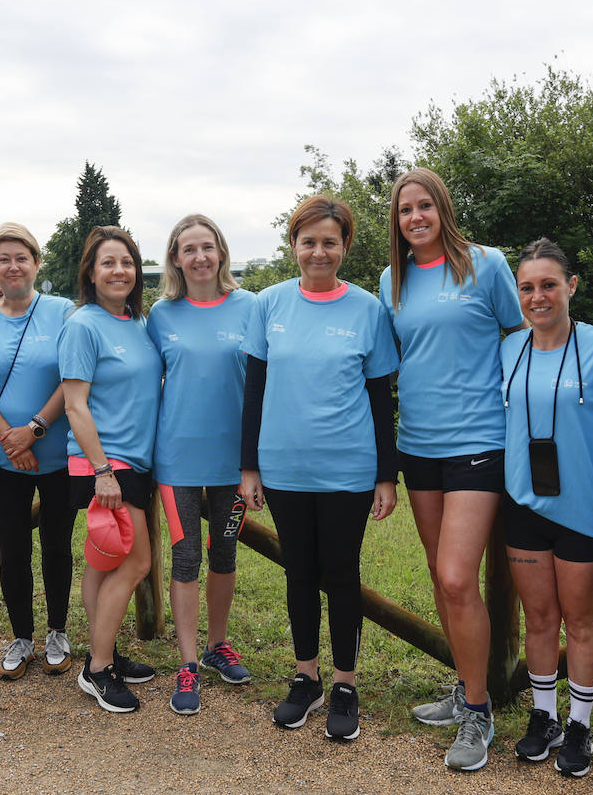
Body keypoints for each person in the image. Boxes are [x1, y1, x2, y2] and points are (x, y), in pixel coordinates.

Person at [378, 167, 525, 770]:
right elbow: (392, 362)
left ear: (443, 207)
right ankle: (469, 689)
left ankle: (479, 711)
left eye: (424, 206)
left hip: (479, 439)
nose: (415, 217)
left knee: (459, 577)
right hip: (418, 444)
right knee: (443, 578)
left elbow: (520, 338)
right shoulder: (394, 277)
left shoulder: (486, 264)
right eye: (404, 209)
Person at [240, 195, 399, 741]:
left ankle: (345, 685)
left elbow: (381, 398)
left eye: (329, 241)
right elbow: (254, 391)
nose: (319, 251)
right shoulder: (269, 305)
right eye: (308, 241)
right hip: (282, 467)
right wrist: (249, 467)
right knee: (299, 573)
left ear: (345, 246)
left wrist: (386, 474)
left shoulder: (368, 310)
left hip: (348, 469)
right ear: (293, 246)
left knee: (341, 573)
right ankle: (305, 677)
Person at [500, 239, 593, 778]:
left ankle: (580, 725)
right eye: (527, 287)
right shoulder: (508, 349)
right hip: (524, 505)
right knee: (540, 619)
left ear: (570, 287)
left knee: (581, 622)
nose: (538, 296)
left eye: (549, 285)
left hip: (585, 510)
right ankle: (543, 716)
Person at [147, 214, 258, 715]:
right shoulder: (161, 314)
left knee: (225, 554)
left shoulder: (250, 307)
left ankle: (217, 646)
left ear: (221, 252)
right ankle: (188, 663)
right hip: (177, 462)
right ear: (175, 258)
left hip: (234, 463)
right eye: (188, 249)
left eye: (207, 247)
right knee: (186, 556)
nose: (199, 257)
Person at [0, 222, 77, 681]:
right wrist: (10, 436)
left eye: (21, 257)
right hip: (5, 456)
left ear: (36, 263)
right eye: (3, 258)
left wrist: (35, 429)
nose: (13, 266)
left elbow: (73, 377)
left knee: (56, 545)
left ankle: (58, 633)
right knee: (11, 547)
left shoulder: (63, 312)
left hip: (58, 452)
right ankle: (22, 635)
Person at [60, 226, 163, 713]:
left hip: (132, 461)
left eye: (127, 262)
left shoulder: (136, 322)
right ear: (91, 272)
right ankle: (98, 670)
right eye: (108, 262)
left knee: (103, 564)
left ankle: (106, 653)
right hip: (105, 462)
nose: (119, 270)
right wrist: (103, 471)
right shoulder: (84, 325)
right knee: (136, 563)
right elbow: (75, 404)